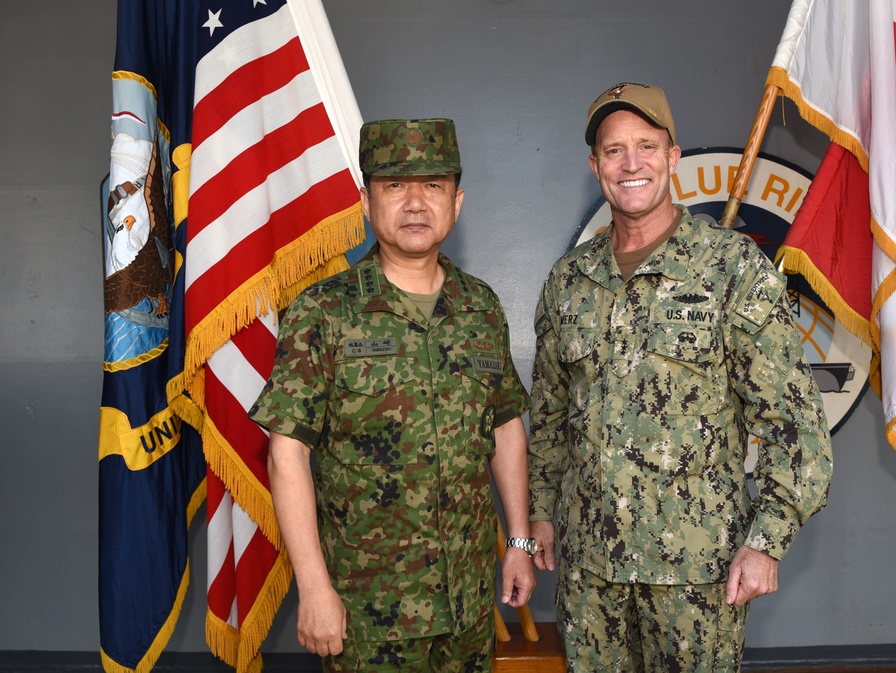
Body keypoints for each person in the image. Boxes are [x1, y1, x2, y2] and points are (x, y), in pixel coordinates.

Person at [527, 82, 833, 672]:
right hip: (591, 576)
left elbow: (794, 422)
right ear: (596, 167)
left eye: (646, 145)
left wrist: (766, 541)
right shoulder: (569, 280)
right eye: (614, 150)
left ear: (672, 157)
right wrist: (541, 512)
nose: (631, 163)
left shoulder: (732, 267)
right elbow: (549, 417)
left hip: (697, 576)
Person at [250, 118, 536, 673]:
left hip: (468, 606)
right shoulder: (323, 312)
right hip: (367, 613)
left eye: (432, 186)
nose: (414, 203)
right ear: (365, 200)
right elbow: (287, 455)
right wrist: (313, 590)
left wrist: (519, 543)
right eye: (394, 186)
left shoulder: (481, 307)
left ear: (457, 201)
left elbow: (505, 430)